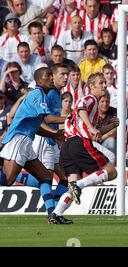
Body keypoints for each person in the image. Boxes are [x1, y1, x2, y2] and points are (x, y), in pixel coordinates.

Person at [0, 67, 67, 223]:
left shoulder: (42, 94)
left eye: (51, 75)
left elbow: (37, 128)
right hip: (18, 139)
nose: (51, 78)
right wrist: (72, 118)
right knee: (7, 180)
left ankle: (52, 215)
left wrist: (55, 134)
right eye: (47, 76)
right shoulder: (37, 94)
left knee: (45, 177)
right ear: (38, 80)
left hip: (26, 141)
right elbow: (49, 119)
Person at [53, 72, 119, 223]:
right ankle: (79, 186)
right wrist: (91, 127)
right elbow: (82, 110)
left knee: (72, 188)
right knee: (111, 172)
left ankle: (56, 214)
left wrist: (111, 126)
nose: (104, 85)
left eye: (104, 82)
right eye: (101, 83)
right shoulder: (90, 99)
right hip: (79, 143)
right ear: (91, 86)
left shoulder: (93, 108)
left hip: (68, 146)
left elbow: (95, 133)